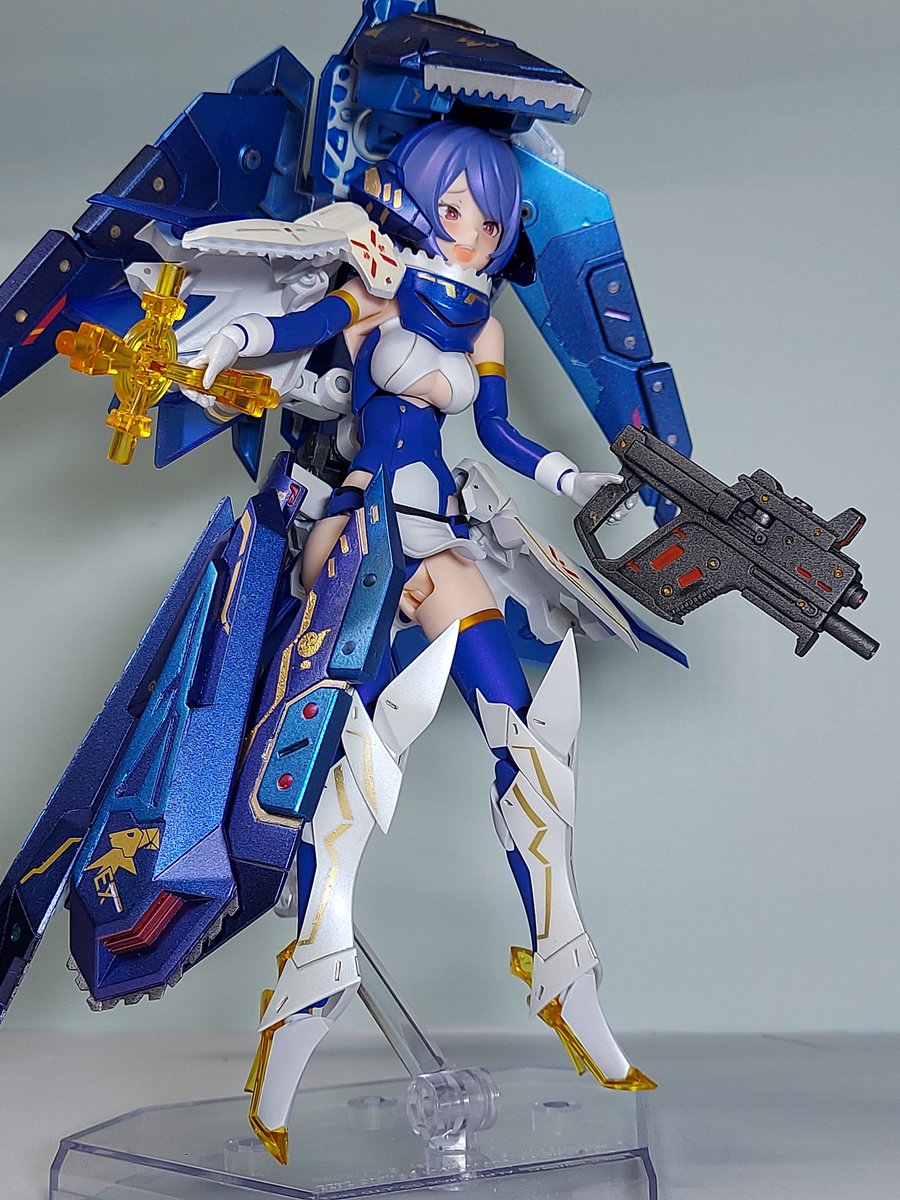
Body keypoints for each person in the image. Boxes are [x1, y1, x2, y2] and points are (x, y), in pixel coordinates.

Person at [188, 120, 653, 1159]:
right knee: (340, 784)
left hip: (441, 535)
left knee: (531, 742)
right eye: (453, 211)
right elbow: (291, 328)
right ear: (415, 201)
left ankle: (567, 981)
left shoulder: (481, 322)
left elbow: (499, 434)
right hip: (362, 541)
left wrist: (573, 478)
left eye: (489, 219)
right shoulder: (377, 293)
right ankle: (297, 1032)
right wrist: (228, 342)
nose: (471, 233)